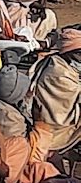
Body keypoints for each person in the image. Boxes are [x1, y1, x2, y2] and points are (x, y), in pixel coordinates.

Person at [28, 27, 81, 170]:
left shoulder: (66, 65)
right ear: (69, 52)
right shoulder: (58, 71)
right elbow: (65, 104)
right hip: (56, 125)